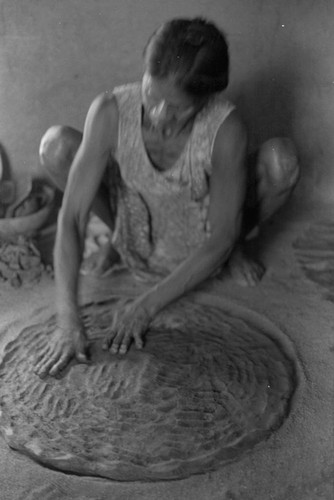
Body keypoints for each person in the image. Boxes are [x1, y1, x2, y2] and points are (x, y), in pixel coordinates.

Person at [34, 17, 299, 378]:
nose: (159, 115)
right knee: (57, 143)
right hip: (135, 226)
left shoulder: (225, 127)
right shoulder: (111, 110)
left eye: (177, 108)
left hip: (201, 244)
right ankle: (117, 242)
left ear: (206, 99)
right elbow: (73, 217)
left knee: (281, 161)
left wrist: (144, 308)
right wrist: (67, 319)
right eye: (151, 95)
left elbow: (220, 236)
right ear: (143, 75)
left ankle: (239, 253)